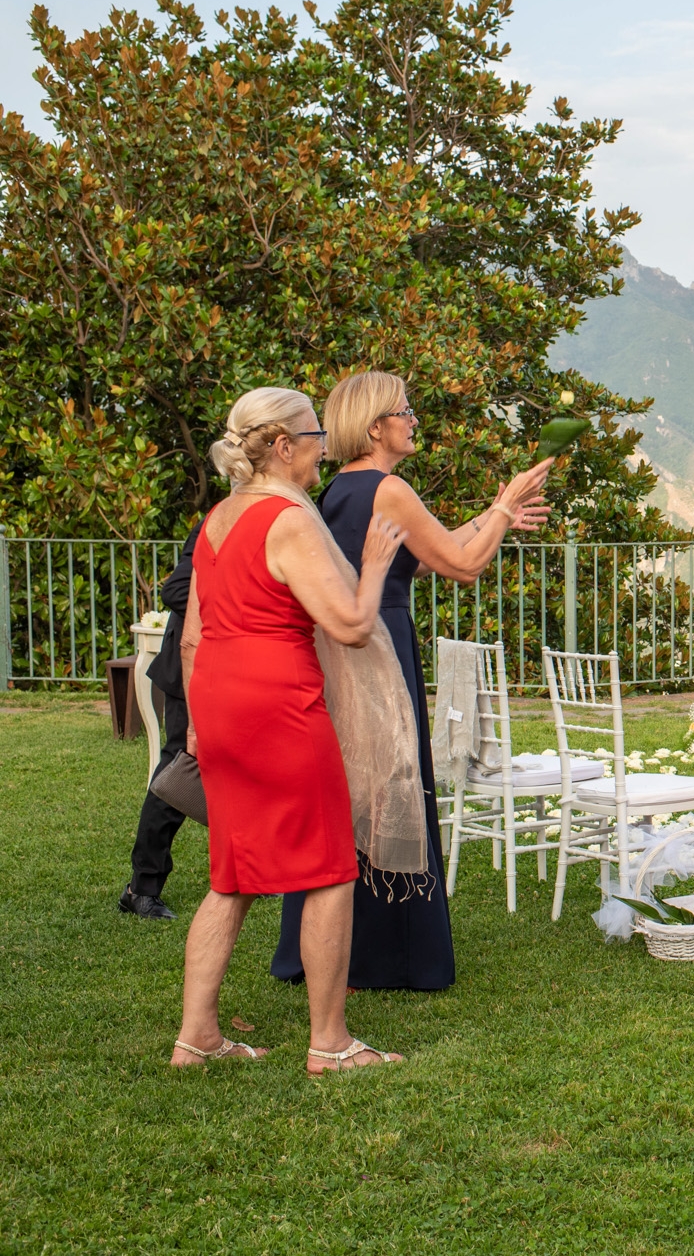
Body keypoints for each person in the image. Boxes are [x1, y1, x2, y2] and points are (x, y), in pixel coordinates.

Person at [272, 371, 551, 991]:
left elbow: (424, 556)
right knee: (393, 779)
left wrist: (491, 513)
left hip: (350, 644)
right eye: (405, 410)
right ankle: (389, 956)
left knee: (351, 788)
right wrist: (504, 509)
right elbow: (464, 566)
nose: (414, 418)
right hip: (383, 644)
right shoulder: (388, 487)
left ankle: (317, 948)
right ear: (376, 427)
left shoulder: (341, 489)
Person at [173, 386, 422, 1072]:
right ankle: (330, 1042)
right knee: (329, 870)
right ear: (283, 445)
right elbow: (348, 624)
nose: (322, 447)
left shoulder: (218, 519)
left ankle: (196, 1036)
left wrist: (197, 723)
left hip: (220, 706)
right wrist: (373, 567)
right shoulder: (289, 516)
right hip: (278, 705)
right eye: (314, 435)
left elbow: (193, 638)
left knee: (232, 876)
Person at [119, 516, 206, 921]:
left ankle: (246, 876)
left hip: (231, 670)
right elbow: (176, 590)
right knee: (178, 773)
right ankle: (141, 888)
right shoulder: (218, 520)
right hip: (192, 669)